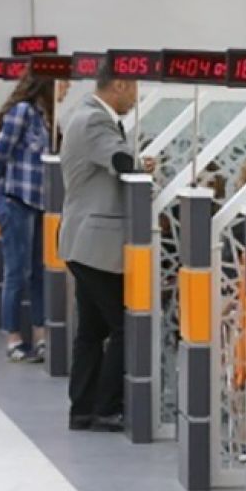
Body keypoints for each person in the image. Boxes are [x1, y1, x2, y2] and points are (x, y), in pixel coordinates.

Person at [58, 65, 151, 432]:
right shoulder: (95, 120)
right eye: (135, 89)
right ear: (120, 84)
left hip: (83, 241)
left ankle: (82, 409)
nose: (137, 98)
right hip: (96, 243)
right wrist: (141, 166)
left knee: (91, 331)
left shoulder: (82, 114)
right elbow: (119, 161)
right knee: (124, 326)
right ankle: (107, 407)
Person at [0, 73, 65, 362]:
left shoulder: (48, 119)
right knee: (16, 271)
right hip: (15, 199)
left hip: (40, 202)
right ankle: (13, 338)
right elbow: (0, 153)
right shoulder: (22, 112)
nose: (67, 89)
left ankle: (40, 334)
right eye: (64, 83)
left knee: (39, 271)